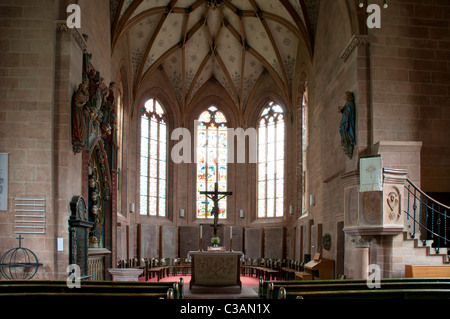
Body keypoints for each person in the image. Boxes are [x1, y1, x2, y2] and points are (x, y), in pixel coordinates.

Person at [338, 91, 356, 159]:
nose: (344, 98)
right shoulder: (347, 104)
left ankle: (349, 149)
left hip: (348, 123)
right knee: (343, 135)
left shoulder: (349, 104)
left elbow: (349, 112)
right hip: (344, 123)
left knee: (346, 136)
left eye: (345, 96)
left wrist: (344, 109)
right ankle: (347, 149)